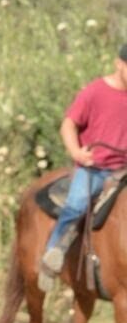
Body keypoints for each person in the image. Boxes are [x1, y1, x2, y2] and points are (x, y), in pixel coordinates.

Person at [39, 43, 127, 290]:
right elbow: (69, 124)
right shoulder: (95, 92)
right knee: (76, 204)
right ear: (119, 64)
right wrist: (76, 151)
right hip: (95, 169)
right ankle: (53, 254)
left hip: (125, 170)